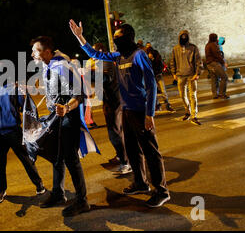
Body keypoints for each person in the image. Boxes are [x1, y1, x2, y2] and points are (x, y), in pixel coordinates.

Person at [69, 20, 170, 208]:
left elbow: (151, 84)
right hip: (126, 110)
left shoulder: (139, 55)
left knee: (150, 152)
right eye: (114, 39)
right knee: (132, 149)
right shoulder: (118, 56)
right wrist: (79, 36)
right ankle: (141, 183)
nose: (115, 42)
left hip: (141, 111)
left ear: (128, 38)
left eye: (118, 38)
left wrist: (150, 114)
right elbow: (95, 54)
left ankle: (162, 191)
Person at [31, 36, 92, 216]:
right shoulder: (48, 66)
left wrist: (66, 107)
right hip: (56, 117)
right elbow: (52, 90)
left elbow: (79, 94)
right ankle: (58, 193)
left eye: (36, 50)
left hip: (68, 118)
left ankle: (82, 201)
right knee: (57, 157)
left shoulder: (62, 66)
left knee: (71, 159)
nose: (32, 53)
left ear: (47, 51)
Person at [0, 63, 46, 203]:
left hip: (14, 131)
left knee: (26, 159)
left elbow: (24, 108)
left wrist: (24, 95)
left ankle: (39, 184)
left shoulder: (15, 89)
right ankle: (1, 191)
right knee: (0, 163)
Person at [99, 44, 132, 175]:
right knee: (114, 131)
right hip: (110, 101)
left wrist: (89, 73)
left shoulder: (106, 63)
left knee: (116, 132)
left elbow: (106, 78)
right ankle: (120, 155)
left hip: (115, 102)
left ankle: (126, 162)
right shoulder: (102, 63)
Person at [170, 30, 203, 126]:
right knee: (182, 96)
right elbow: (172, 61)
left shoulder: (193, 48)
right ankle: (187, 111)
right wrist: (174, 73)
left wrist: (197, 74)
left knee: (193, 95)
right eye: (182, 36)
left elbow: (198, 61)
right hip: (180, 75)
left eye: (185, 36)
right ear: (179, 37)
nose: (183, 38)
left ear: (188, 37)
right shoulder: (175, 49)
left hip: (191, 76)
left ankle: (194, 115)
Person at [145, 46, 175, 112]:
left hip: (158, 75)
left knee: (163, 90)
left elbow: (159, 65)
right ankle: (157, 105)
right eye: (148, 53)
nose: (149, 54)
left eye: (150, 53)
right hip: (152, 77)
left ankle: (167, 104)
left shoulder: (157, 57)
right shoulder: (146, 58)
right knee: (154, 91)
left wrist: (152, 60)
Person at [205, 33, 229, 99]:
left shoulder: (207, 45)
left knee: (214, 79)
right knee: (224, 77)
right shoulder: (213, 45)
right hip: (215, 63)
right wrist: (223, 62)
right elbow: (218, 55)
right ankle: (222, 94)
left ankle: (215, 94)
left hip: (209, 64)